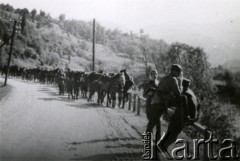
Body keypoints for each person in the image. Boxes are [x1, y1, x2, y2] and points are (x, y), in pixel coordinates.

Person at [158, 78, 200, 154]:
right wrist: (196, 117)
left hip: (185, 117)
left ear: (182, 86)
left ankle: (161, 147)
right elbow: (198, 105)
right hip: (191, 117)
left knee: (172, 131)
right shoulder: (191, 92)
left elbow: (184, 108)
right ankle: (161, 146)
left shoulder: (184, 94)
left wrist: (185, 118)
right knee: (171, 130)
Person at [143, 70, 160, 134]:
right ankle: (150, 133)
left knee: (157, 121)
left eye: (156, 74)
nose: (154, 75)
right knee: (151, 119)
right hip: (149, 104)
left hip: (157, 105)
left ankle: (157, 137)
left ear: (157, 75)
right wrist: (149, 94)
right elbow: (144, 95)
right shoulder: (147, 84)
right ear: (151, 75)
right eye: (153, 74)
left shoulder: (159, 83)